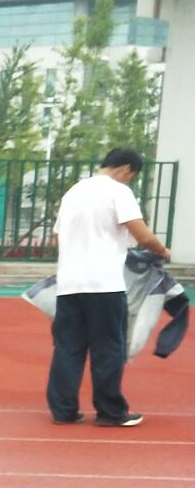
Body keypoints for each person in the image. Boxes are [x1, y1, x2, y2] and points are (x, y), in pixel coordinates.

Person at [46, 147, 170, 428]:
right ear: (126, 169)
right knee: (108, 348)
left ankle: (63, 410)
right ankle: (109, 411)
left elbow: (57, 237)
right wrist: (162, 251)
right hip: (104, 284)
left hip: (69, 284)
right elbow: (141, 234)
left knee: (68, 347)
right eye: (131, 176)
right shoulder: (119, 192)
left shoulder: (74, 192)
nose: (129, 180)